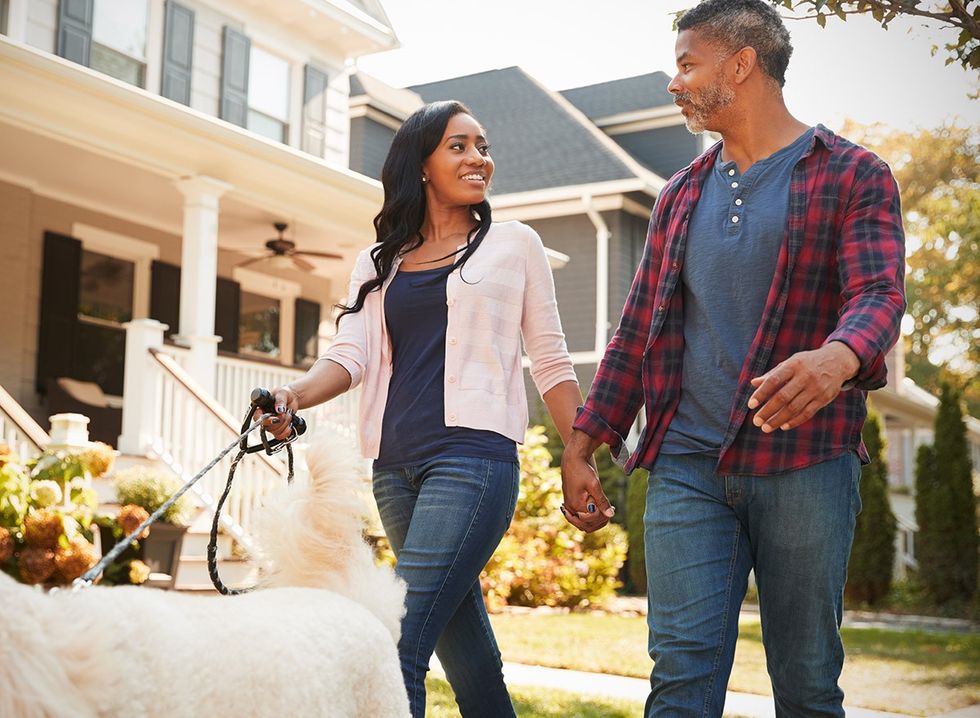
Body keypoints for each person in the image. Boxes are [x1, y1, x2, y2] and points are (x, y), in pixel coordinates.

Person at [559, 1, 906, 715]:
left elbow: (878, 296)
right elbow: (635, 332)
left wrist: (837, 358)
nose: (674, 83)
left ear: (741, 64)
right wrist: (582, 444)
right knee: (680, 683)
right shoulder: (679, 196)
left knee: (806, 683)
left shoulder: (852, 175)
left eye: (688, 64)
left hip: (805, 464)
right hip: (688, 467)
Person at [261, 100, 582, 718]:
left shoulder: (515, 245)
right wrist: (293, 396)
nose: (478, 158)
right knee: (465, 651)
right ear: (423, 164)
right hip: (395, 467)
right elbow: (349, 355)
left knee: (397, 639)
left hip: (472, 461)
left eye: (482, 145)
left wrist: (580, 452)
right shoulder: (378, 262)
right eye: (458, 146)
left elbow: (551, 360)